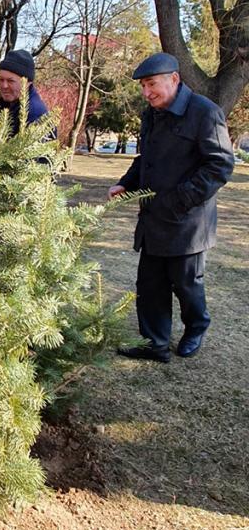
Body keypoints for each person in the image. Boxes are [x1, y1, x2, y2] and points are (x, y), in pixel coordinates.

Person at [108, 53, 234, 362]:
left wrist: (180, 199)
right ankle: (155, 344)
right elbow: (146, 159)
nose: (146, 93)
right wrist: (127, 182)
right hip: (153, 218)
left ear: (174, 79)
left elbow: (220, 165)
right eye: (143, 86)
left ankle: (196, 327)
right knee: (150, 285)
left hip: (187, 222)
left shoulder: (205, 112)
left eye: (151, 84)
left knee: (186, 285)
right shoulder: (151, 113)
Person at [0, 49, 49, 135]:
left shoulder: (35, 115)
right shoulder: (6, 103)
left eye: (10, 81)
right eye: (1, 80)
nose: (4, 86)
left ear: (27, 83)